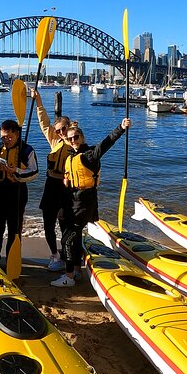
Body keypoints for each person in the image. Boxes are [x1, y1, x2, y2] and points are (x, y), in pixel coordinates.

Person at [51, 117, 132, 288]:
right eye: (70, 138)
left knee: (67, 240)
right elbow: (69, 174)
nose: (73, 141)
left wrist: (121, 128)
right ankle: (76, 269)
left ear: (82, 138)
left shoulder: (90, 155)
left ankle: (69, 276)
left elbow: (107, 142)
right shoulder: (71, 156)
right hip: (71, 200)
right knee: (74, 236)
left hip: (85, 202)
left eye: (76, 138)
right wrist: (66, 180)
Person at [30, 89, 72, 272]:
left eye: (64, 129)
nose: (61, 132)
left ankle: (68, 256)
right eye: (59, 130)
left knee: (64, 224)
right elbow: (44, 123)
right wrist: (38, 101)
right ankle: (54, 255)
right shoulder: (55, 141)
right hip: (50, 185)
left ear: (69, 128)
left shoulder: (75, 143)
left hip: (66, 188)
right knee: (48, 223)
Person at [0, 120, 38, 268]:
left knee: (14, 229)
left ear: (17, 134)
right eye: (3, 137)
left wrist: (15, 170)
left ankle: (12, 261)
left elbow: (34, 173)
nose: (6, 140)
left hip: (17, 193)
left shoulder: (27, 150)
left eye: (10, 137)